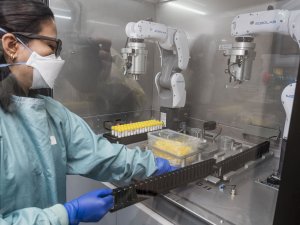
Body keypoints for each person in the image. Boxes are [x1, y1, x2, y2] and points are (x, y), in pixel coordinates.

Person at [0, 1, 175, 225]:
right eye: (51, 48)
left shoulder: (50, 113)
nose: (57, 59)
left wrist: (152, 166)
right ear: (11, 45)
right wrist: (68, 214)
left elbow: (100, 154)